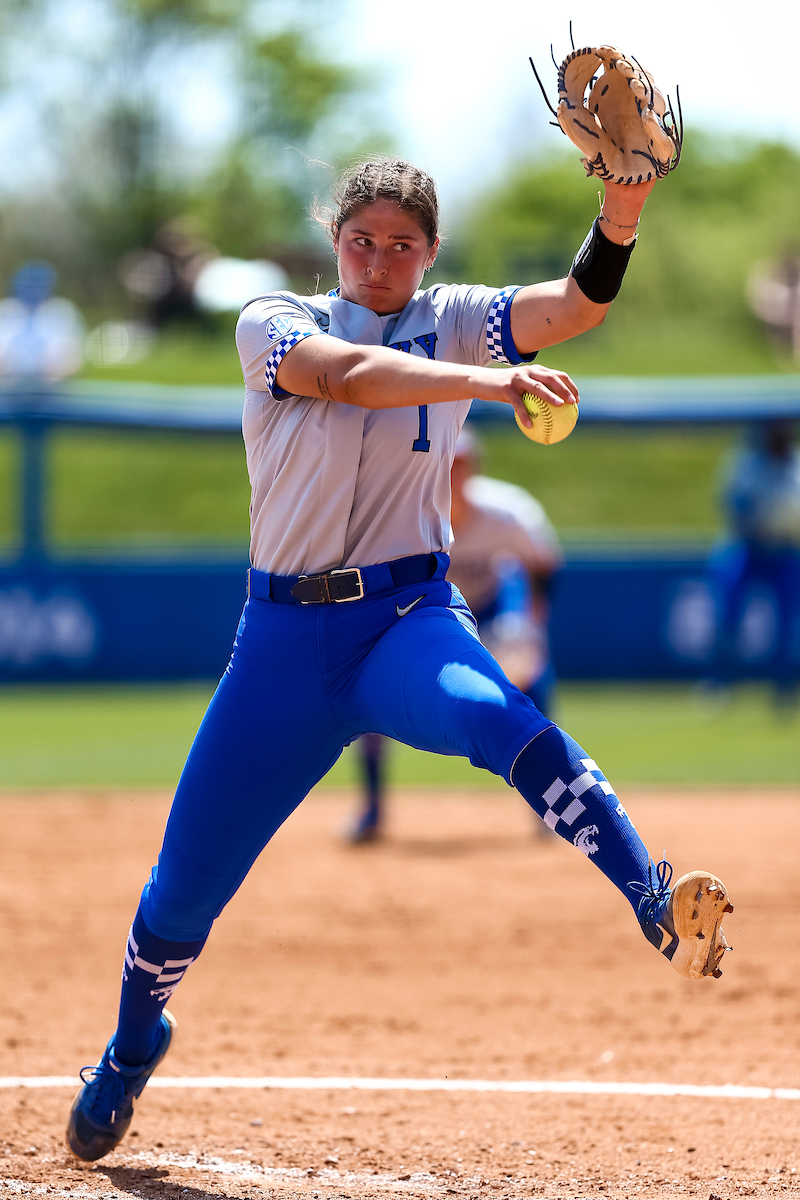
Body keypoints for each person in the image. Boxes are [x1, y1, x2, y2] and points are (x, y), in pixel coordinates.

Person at [66, 156, 735, 1163]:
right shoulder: (273, 317)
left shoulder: (455, 315)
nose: (379, 261)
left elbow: (573, 307)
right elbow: (347, 378)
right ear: (334, 241)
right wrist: (489, 381)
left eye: (403, 245)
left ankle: (650, 897)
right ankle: (129, 1047)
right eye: (361, 241)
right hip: (284, 645)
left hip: (403, 619)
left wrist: (621, 212)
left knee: (496, 716)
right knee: (184, 888)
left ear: (431, 252)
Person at [348, 425, 563, 843]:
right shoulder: (410, 514)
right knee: (373, 687)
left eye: (463, 465)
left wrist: (535, 624)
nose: (455, 473)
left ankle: (549, 802)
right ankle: (372, 810)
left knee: (534, 674)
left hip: (488, 607)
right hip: (428, 609)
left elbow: (544, 563)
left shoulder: (508, 512)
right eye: (449, 464)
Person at [708, 418, 800, 707]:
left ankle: (784, 688)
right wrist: (755, 522)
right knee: (728, 615)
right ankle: (720, 683)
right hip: (748, 547)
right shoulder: (747, 465)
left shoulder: (796, 467)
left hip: (785, 552)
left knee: (788, 626)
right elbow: (731, 503)